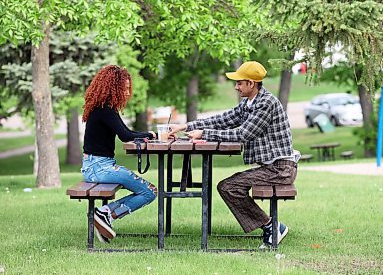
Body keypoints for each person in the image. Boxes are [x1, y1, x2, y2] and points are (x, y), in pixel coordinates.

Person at [169, 61, 300, 249]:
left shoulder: (265, 104)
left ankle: (272, 227)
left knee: (228, 187)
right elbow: (222, 119)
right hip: (272, 168)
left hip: (281, 169)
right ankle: (271, 226)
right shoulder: (249, 103)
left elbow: (243, 134)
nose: (236, 86)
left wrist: (204, 134)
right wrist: (186, 126)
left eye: (239, 83)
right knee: (228, 186)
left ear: (251, 83)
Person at [81, 65, 157, 243]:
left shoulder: (104, 109)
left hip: (96, 166)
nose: (126, 92)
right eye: (124, 88)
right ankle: (105, 214)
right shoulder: (105, 109)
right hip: (98, 168)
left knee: (148, 191)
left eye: (128, 88)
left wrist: (148, 136)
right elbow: (126, 136)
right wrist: (153, 135)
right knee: (149, 192)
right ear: (113, 87)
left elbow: (126, 132)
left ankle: (104, 215)